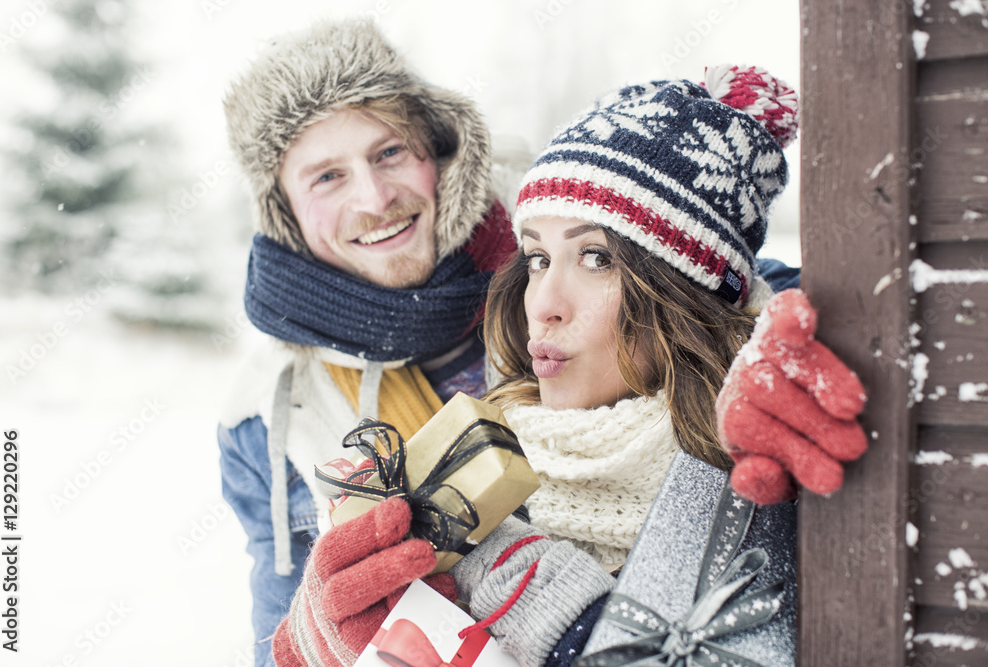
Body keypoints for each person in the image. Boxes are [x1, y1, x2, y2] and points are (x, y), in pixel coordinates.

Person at [270, 67, 869, 667]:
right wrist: (315, 644)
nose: (545, 305)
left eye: (595, 257)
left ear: (685, 293)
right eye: (535, 258)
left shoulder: (762, 468)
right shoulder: (478, 466)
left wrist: (544, 606)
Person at [216, 18, 517, 667]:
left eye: (389, 153)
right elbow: (276, 648)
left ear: (437, 155)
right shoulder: (267, 415)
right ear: (286, 214)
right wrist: (317, 631)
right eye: (327, 176)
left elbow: (723, 292)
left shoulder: (558, 268)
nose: (376, 197)